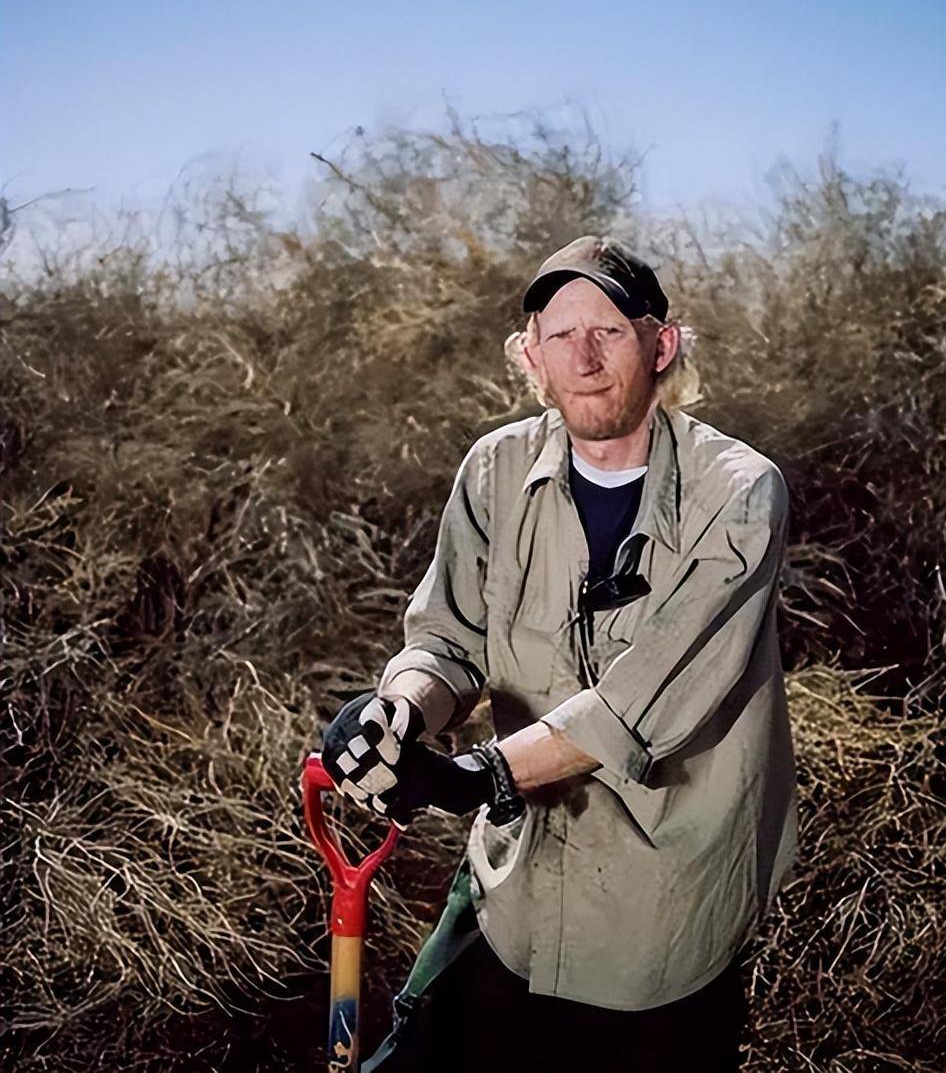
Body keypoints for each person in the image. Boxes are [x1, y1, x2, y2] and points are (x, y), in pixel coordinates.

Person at [320, 234, 798, 1072]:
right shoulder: (494, 471)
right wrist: (399, 709)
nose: (584, 357)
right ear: (528, 356)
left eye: (610, 331)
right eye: (560, 334)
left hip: (663, 928)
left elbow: (635, 709)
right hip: (516, 893)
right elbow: (447, 640)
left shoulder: (741, 491)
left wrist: (469, 776)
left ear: (662, 345)